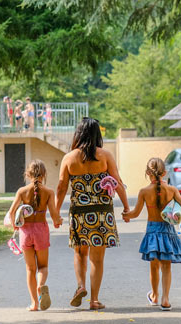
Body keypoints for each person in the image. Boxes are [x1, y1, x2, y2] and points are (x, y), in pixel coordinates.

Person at [56, 117, 130, 310]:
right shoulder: (105, 156)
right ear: (97, 134)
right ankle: (94, 300)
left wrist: (56, 212)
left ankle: (81, 286)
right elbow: (118, 182)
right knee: (97, 259)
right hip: (102, 212)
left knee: (80, 253)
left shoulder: (69, 158)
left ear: (78, 134)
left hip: (79, 213)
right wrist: (126, 207)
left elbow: (61, 187)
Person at [123, 158, 181, 311]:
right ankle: (165, 299)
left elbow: (135, 213)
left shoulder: (144, 192)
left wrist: (126, 215)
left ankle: (154, 295)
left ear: (147, 173)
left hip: (152, 232)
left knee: (154, 267)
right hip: (168, 230)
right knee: (166, 266)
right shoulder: (172, 190)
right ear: (165, 173)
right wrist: (172, 215)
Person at [8, 160, 63, 311]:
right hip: (41, 231)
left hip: (25, 232)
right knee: (43, 266)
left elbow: (12, 212)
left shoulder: (21, 191)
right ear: (44, 174)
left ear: (28, 174)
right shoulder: (49, 193)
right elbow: (54, 215)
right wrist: (59, 221)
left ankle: (34, 304)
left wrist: (15, 226)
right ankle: (41, 285)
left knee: (30, 269)